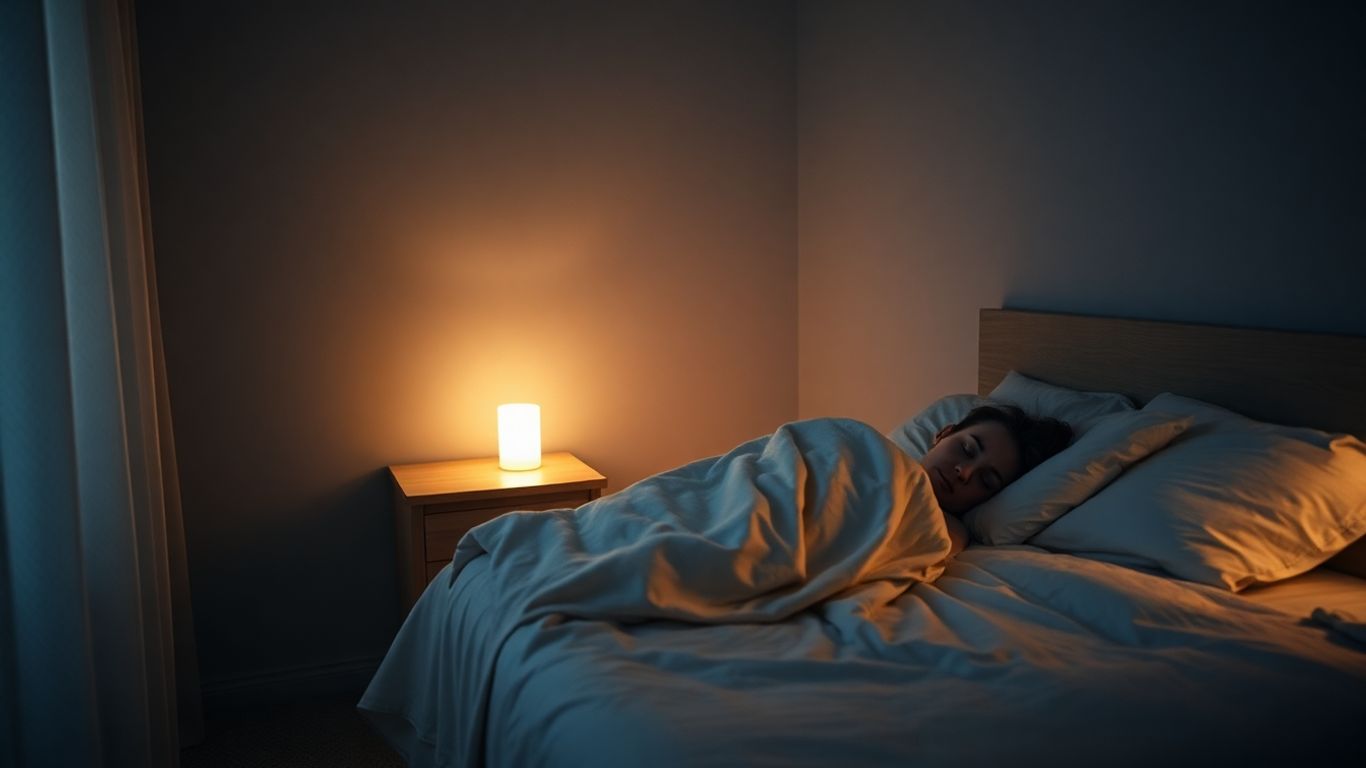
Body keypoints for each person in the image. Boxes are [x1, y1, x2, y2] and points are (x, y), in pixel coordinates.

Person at [918, 404, 1073, 554]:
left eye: (986, 480)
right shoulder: (895, 456)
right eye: (967, 449)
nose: (965, 472)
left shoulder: (948, 534)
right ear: (944, 433)